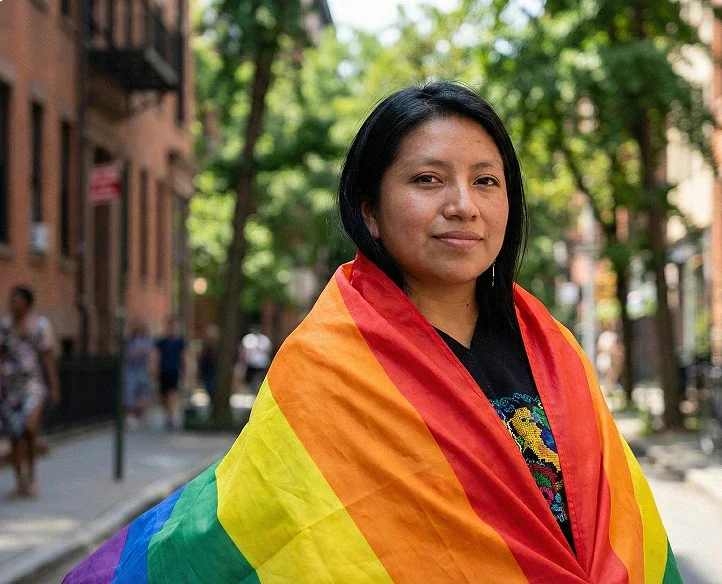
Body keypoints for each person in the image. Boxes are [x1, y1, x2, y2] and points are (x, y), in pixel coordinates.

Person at [66, 82, 682, 583]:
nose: (463, 204)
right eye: (428, 179)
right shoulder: (328, 364)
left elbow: (622, 527)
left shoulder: (558, 352)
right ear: (370, 212)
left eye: (486, 180)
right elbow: (263, 527)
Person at [0, 286, 59, 499]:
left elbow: (47, 357)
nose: (13, 304)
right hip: (9, 388)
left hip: (32, 385)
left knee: (30, 429)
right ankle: (20, 483)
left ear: (27, 302)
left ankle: (33, 478)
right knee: (14, 436)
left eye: (17, 300)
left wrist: (54, 387)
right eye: (11, 300)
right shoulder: (4, 326)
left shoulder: (40, 325)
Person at [155, 316, 186, 430]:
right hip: (163, 370)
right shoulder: (161, 341)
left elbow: (184, 356)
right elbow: (156, 356)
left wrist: (185, 371)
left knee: (172, 393)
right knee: (163, 395)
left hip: (174, 370)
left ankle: (171, 416)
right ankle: (168, 414)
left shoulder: (179, 341)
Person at [124, 320, 153, 427]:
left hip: (143, 368)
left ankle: (142, 413)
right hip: (130, 369)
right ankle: (131, 415)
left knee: (143, 390)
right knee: (130, 390)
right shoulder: (129, 340)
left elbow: (147, 351)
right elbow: (128, 353)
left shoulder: (146, 339)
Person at [240, 324, 272, 391]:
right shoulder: (248, 338)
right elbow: (244, 351)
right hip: (251, 363)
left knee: (260, 379)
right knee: (249, 379)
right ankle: (251, 390)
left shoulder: (264, 339)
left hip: (261, 363)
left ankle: (257, 390)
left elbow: (268, 351)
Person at [198, 324, 219, 402]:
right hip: (206, 372)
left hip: (213, 372)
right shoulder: (204, 347)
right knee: (210, 390)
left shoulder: (217, 348)